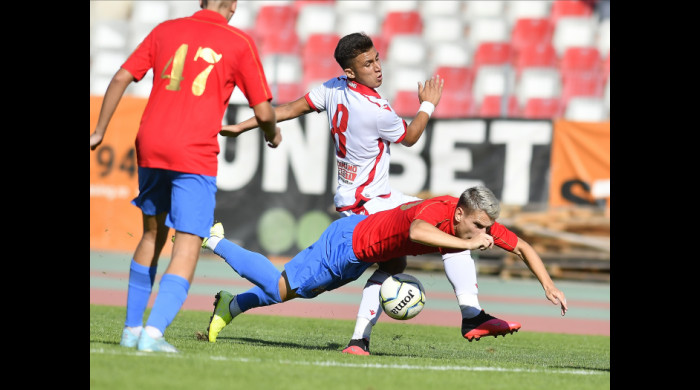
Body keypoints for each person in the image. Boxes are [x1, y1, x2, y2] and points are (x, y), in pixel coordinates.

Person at [215, 32, 514, 355]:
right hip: (366, 206)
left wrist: (243, 126)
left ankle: (466, 315)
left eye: (377, 59)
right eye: (367, 64)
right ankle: (377, 336)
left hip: (375, 196)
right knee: (299, 285)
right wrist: (428, 104)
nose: (377, 68)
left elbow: (290, 108)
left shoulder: (332, 88)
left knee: (442, 226)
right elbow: (411, 136)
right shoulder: (375, 109)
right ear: (350, 72)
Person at [89, 0, 280, 353]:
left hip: (150, 142)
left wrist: (99, 130)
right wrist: (272, 134)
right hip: (193, 151)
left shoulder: (166, 30)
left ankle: (131, 329)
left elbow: (120, 77)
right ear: (233, 5)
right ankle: (154, 333)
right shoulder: (238, 42)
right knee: (189, 242)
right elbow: (265, 110)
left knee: (151, 235)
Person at [203, 186, 568, 349]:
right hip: (346, 246)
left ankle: (230, 307)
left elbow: (522, 246)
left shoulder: (471, 222)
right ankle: (214, 239)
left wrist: (548, 285)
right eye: (478, 226)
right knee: (280, 287)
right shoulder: (437, 212)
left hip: (364, 251)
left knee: (388, 266)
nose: (484, 233)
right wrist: (470, 243)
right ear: (459, 213)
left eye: (486, 228)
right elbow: (417, 230)